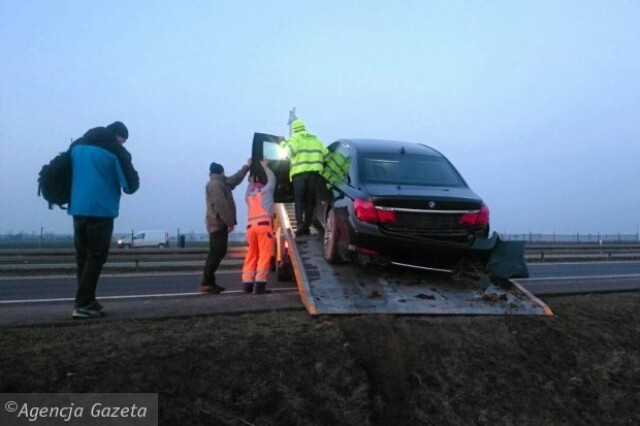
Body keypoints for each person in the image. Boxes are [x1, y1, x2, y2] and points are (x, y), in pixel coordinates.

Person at [68, 121, 139, 319]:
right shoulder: (115, 151)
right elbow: (130, 186)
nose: (122, 144)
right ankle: (82, 305)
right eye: (122, 141)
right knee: (96, 257)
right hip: (101, 210)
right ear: (117, 136)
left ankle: (88, 300)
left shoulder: (77, 145)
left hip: (78, 209)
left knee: (82, 257)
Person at [200, 158, 251, 294]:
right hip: (217, 224)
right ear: (221, 172)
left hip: (217, 223)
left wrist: (246, 167)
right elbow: (220, 205)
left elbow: (234, 180)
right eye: (224, 172)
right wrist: (229, 222)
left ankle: (209, 282)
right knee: (217, 252)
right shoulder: (216, 185)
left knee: (216, 253)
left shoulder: (219, 183)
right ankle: (206, 283)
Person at [279, 118, 328, 237]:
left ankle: (300, 225)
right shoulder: (316, 139)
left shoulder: (295, 138)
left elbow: (288, 152)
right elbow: (326, 155)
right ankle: (307, 227)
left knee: (299, 200)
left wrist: (282, 142)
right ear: (304, 127)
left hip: (299, 175)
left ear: (295, 129)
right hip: (314, 175)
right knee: (310, 202)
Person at [241, 159, 276, 294]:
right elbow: (272, 178)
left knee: (252, 254)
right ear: (262, 187)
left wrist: (250, 180)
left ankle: (247, 284)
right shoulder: (266, 193)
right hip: (263, 227)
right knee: (264, 255)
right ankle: (260, 285)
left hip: (250, 227)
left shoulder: (248, 197)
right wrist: (265, 166)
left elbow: (249, 187)